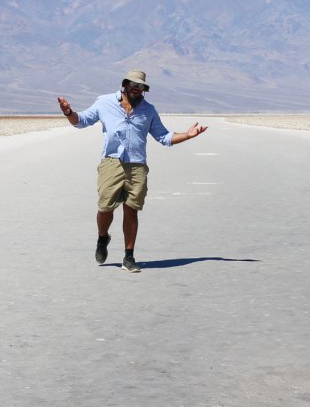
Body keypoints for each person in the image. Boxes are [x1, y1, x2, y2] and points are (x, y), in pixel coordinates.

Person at [57, 70, 208, 273]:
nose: (138, 90)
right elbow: (81, 121)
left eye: (142, 87)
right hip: (111, 162)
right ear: (125, 85)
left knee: (131, 209)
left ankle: (129, 257)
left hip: (137, 165)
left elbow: (164, 137)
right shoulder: (104, 102)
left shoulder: (149, 110)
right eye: (134, 86)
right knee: (105, 208)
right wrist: (68, 112)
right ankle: (103, 238)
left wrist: (188, 136)